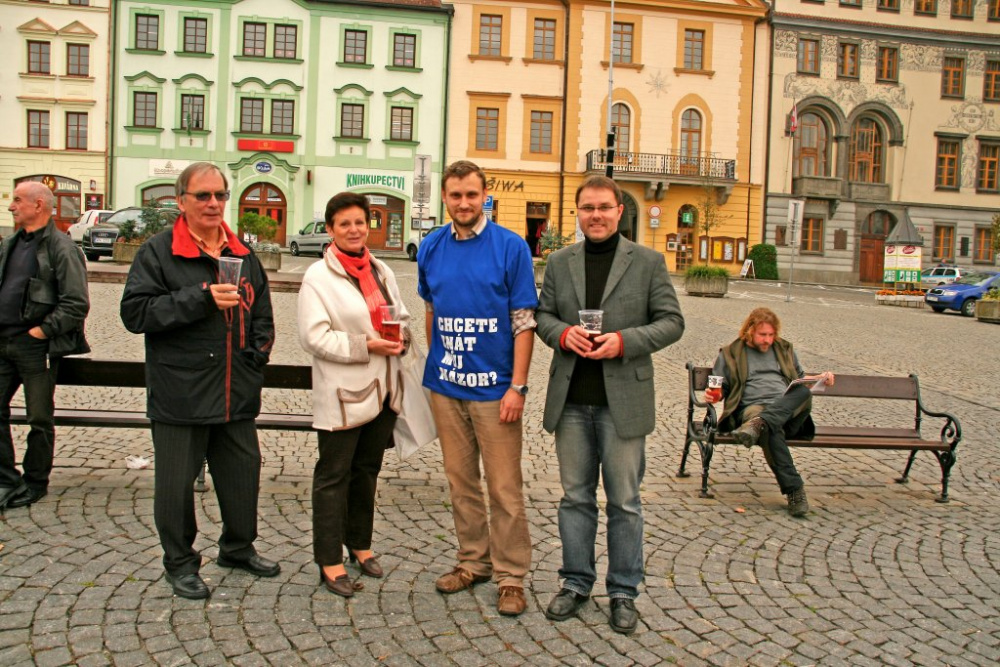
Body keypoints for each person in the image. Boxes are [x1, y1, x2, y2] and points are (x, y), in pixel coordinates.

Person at [120, 162, 279, 600]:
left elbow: (262, 313)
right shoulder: (158, 252)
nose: (213, 203)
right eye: (203, 195)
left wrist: (257, 356)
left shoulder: (242, 254)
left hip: (234, 388)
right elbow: (135, 314)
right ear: (182, 200)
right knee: (174, 487)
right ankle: (180, 563)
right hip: (181, 391)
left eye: (220, 195)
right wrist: (200, 298)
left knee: (242, 476)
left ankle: (237, 548)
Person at [535, 175, 685, 634]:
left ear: (620, 211)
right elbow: (542, 316)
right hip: (573, 401)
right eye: (587, 208)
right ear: (577, 212)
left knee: (624, 502)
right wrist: (562, 333)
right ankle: (576, 583)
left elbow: (671, 323)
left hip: (623, 402)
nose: (595, 215)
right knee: (575, 499)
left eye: (604, 207)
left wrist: (624, 341)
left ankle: (623, 591)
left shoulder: (647, 262)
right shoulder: (560, 262)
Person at [417, 160, 537, 617]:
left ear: (484, 195)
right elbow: (432, 309)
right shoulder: (431, 247)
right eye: (455, 195)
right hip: (447, 388)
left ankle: (511, 576)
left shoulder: (510, 247)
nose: (463, 203)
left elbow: (523, 322)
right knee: (461, 482)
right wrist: (438, 362)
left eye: (471, 195)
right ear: (445, 198)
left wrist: (517, 388)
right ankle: (473, 562)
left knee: (505, 487)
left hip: (495, 390)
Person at [298, 192, 409, 598]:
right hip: (344, 396)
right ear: (330, 229)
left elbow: (399, 315)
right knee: (333, 477)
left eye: (360, 222)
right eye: (344, 224)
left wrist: (403, 338)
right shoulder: (318, 276)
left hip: (382, 393)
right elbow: (314, 337)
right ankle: (329, 560)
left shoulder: (380, 269)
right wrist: (368, 345)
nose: (354, 230)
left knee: (366, 474)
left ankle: (359, 545)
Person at [0, 182, 90, 511]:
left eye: (18, 200)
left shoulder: (61, 247)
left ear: (39, 205)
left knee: (39, 417)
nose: (12, 206)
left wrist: (41, 332)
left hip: (35, 347)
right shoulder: (10, 243)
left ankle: (36, 481)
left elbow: (76, 303)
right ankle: (6, 480)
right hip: (4, 342)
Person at [705, 307, 835, 518]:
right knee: (768, 427)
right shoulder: (730, 353)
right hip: (751, 409)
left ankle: (760, 423)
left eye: (771, 335)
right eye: (762, 335)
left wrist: (821, 377)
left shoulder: (784, 349)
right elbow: (721, 388)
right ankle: (795, 491)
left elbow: (801, 379)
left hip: (789, 413)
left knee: (801, 393)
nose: (768, 340)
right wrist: (714, 396)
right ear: (749, 331)